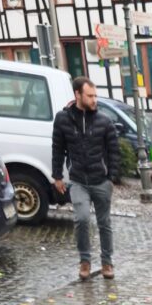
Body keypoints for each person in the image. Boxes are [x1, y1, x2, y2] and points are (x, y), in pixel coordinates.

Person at [51, 76, 120, 281]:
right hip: (78, 179)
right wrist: (57, 176)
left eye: (95, 95)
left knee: (104, 223)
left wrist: (112, 178)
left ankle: (107, 262)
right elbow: (58, 148)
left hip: (101, 180)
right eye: (90, 95)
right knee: (81, 219)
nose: (94, 99)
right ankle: (85, 261)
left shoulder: (104, 120)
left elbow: (114, 150)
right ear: (77, 95)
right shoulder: (62, 119)